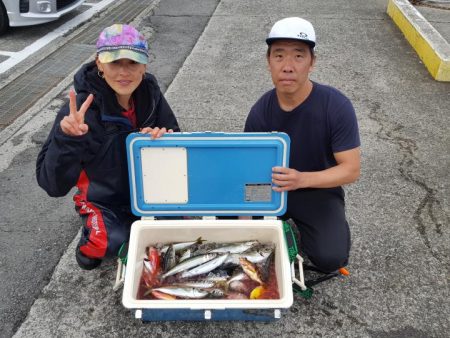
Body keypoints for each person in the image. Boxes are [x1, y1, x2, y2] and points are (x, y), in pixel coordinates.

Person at [36, 24, 180, 270]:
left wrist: (164, 136)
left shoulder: (150, 91)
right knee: (114, 242)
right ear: (99, 63)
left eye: (133, 63)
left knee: (179, 232)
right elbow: (52, 185)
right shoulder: (80, 110)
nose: (124, 72)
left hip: (149, 192)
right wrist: (68, 137)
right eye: (114, 63)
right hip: (103, 199)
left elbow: (177, 137)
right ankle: (89, 239)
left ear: (144, 66)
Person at [244, 17, 361, 274]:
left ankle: (330, 225)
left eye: (298, 56)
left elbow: (350, 169)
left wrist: (301, 179)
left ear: (312, 62)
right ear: (268, 62)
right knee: (231, 233)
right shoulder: (260, 112)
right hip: (271, 191)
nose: (288, 66)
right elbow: (249, 171)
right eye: (279, 56)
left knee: (330, 258)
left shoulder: (336, 106)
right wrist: (244, 220)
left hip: (317, 189)